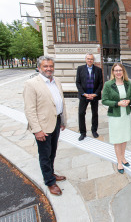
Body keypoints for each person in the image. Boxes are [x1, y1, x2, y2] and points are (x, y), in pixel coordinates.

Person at [23, 56, 67, 196]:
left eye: (51, 66)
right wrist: (37, 130)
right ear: (39, 68)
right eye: (45, 66)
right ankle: (49, 181)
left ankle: (51, 173)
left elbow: (61, 101)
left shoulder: (56, 81)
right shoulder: (31, 84)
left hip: (56, 121)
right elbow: (29, 109)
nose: (49, 69)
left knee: (52, 152)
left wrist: (63, 120)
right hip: (43, 127)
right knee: (45, 155)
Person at [101, 63, 131, 174]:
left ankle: (123, 157)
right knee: (117, 139)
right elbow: (104, 100)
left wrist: (128, 101)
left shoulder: (127, 83)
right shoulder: (108, 84)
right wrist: (117, 103)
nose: (118, 72)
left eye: (120, 70)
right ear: (113, 72)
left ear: (123, 72)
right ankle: (119, 162)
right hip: (115, 115)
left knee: (124, 137)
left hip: (126, 114)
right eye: (116, 70)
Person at [76, 53, 103, 141]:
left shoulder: (98, 70)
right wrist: (83, 93)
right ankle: (83, 133)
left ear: (93, 60)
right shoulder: (80, 69)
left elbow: (100, 83)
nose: (89, 60)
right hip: (84, 95)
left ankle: (94, 130)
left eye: (91, 59)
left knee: (95, 113)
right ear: (85, 59)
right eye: (88, 59)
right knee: (81, 113)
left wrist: (95, 94)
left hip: (94, 96)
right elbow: (78, 82)